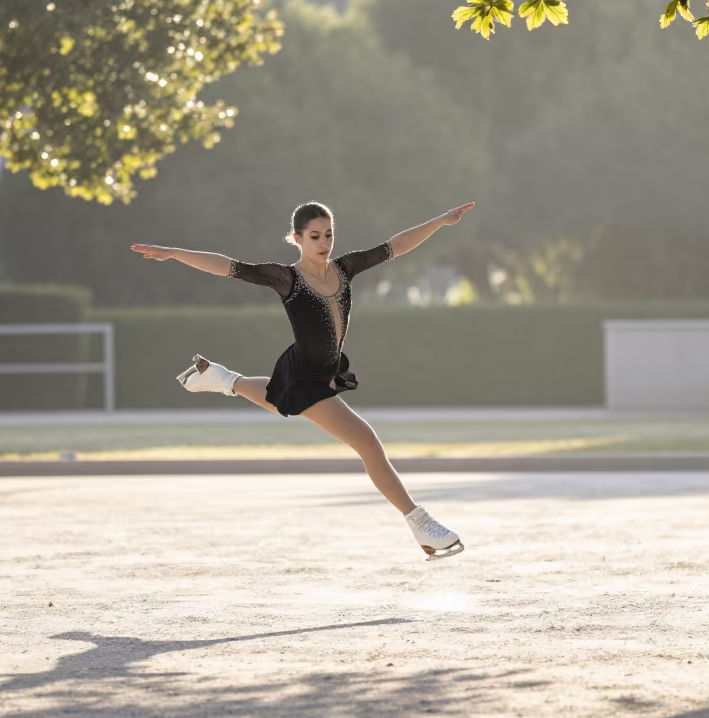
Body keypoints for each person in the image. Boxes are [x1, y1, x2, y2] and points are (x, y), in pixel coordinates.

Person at [130, 200, 474, 560]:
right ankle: (420, 524)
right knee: (368, 443)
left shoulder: (345, 267)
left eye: (328, 234)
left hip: (321, 370)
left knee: (282, 401)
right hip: (306, 375)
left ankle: (223, 378)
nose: (324, 242)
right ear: (297, 238)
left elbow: (396, 245)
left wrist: (440, 220)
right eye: (314, 236)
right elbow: (227, 266)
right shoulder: (286, 279)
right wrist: (173, 253)